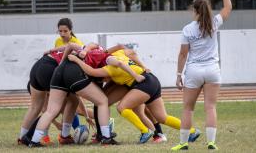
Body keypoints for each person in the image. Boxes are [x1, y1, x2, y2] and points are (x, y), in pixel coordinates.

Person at [68, 49, 201, 144]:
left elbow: (91, 71)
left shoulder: (109, 68)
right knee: (162, 117)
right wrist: (144, 66)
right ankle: (192, 131)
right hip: (152, 79)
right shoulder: (118, 53)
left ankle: (145, 131)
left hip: (143, 84)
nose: (104, 81)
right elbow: (131, 52)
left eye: (103, 80)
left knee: (122, 107)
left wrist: (75, 60)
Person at [171, 0, 232, 151]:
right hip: (213, 70)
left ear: (195, 10)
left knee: (188, 109)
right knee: (210, 107)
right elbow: (228, 7)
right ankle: (211, 143)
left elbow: (183, 54)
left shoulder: (188, 29)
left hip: (194, 71)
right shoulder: (214, 23)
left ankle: (183, 143)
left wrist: (178, 75)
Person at [18, 18, 91, 146]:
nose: (62, 34)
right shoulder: (78, 48)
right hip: (50, 70)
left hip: (39, 66)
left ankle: (22, 137)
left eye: (65, 31)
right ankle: (61, 136)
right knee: (60, 106)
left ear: (71, 31)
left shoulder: (76, 42)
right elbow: (65, 60)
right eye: (60, 31)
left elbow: (61, 52)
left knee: (37, 107)